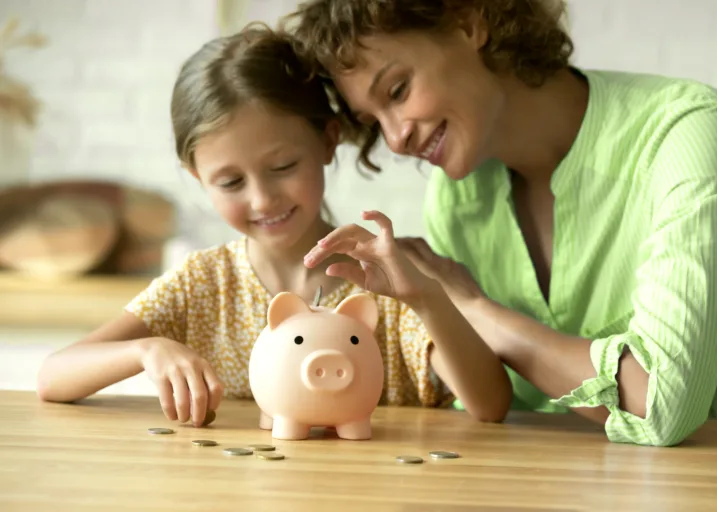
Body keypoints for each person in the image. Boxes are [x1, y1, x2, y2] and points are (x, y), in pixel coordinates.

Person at [288, 0, 717, 446]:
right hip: (539, 472)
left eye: (397, 90)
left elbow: (663, 404)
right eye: (373, 121)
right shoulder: (458, 195)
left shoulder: (686, 130)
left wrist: (472, 308)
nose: (395, 139)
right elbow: (491, 404)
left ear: (468, 23)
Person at [35, 24, 513, 427]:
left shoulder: (388, 279)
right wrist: (146, 351)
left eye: (284, 167)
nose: (262, 199)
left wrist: (426, 298)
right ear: (198, 177)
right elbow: (53, 375)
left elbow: (491, 405)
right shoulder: (202, 285)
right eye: (230, 181)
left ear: (327, 142)